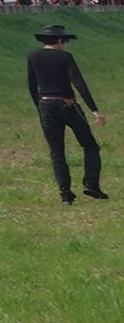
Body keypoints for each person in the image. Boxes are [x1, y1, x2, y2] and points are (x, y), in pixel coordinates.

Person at [28, 23, 105, 203]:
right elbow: (78, 83)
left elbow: (32, 85)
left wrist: (38, 107)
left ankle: (65, 194)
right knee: (90, 145)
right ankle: (91, 184)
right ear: (61, 40)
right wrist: (94, 110)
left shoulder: (33, 56)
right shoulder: (65, 57)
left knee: (56, 152)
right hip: (67, 104)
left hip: (45, 105)